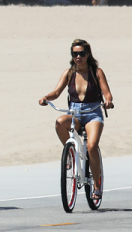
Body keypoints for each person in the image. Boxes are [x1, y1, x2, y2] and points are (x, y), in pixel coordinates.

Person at [38, 39, 114, 199]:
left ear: (88, 54)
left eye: (81, 53)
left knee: (92, 146)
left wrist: (108, 101)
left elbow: (107, 92)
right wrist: (46, 98)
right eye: (74, 54)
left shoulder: (96, 72)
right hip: (75, 113)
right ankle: (71, 155)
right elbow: (56, 92)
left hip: (93, 113)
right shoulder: (69, 73)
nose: (78, 57)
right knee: (60, 122)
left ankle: (97, 186)